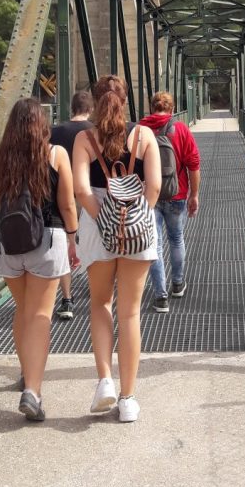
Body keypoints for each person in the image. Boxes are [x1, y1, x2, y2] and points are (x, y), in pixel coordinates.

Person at [0, 98, 79, 420]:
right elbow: (68, 205)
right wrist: (74, 242)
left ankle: (27, 371)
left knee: (23, 311)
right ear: (42, 125)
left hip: (9, 246)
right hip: (47, 243)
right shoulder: (55, 154)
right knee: (40, 315)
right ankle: (33, 390)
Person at [72, 75, 161, 422]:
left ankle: (105, 382)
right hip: (138, 227)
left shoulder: (84, 139)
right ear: (126, 102)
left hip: (97, 227)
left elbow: (81, 189)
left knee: (99, 304)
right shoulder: (144, 136)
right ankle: (127, 399)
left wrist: (105, 219)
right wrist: (136, 218)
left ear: (94, 103)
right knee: (131, 312)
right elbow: (153, 186)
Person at [140, 91, 200, 311]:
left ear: (151, 108)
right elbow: (193, 164)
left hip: (149, 196)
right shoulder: (181, 129)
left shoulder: (140, 129)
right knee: (176, 238)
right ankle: (177, 283)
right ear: (172, 109)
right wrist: (194, 194)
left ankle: (160, 296)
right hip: (177, 193)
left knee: (153, 244)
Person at [50, 89, 94, 321]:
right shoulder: (95, 132)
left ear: (72, 108)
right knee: (92, 240)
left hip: (62, 196)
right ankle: (98, 283)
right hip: (89, 193)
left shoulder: (54, 131)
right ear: (90, 109)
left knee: (65, 245)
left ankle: (67, 298)